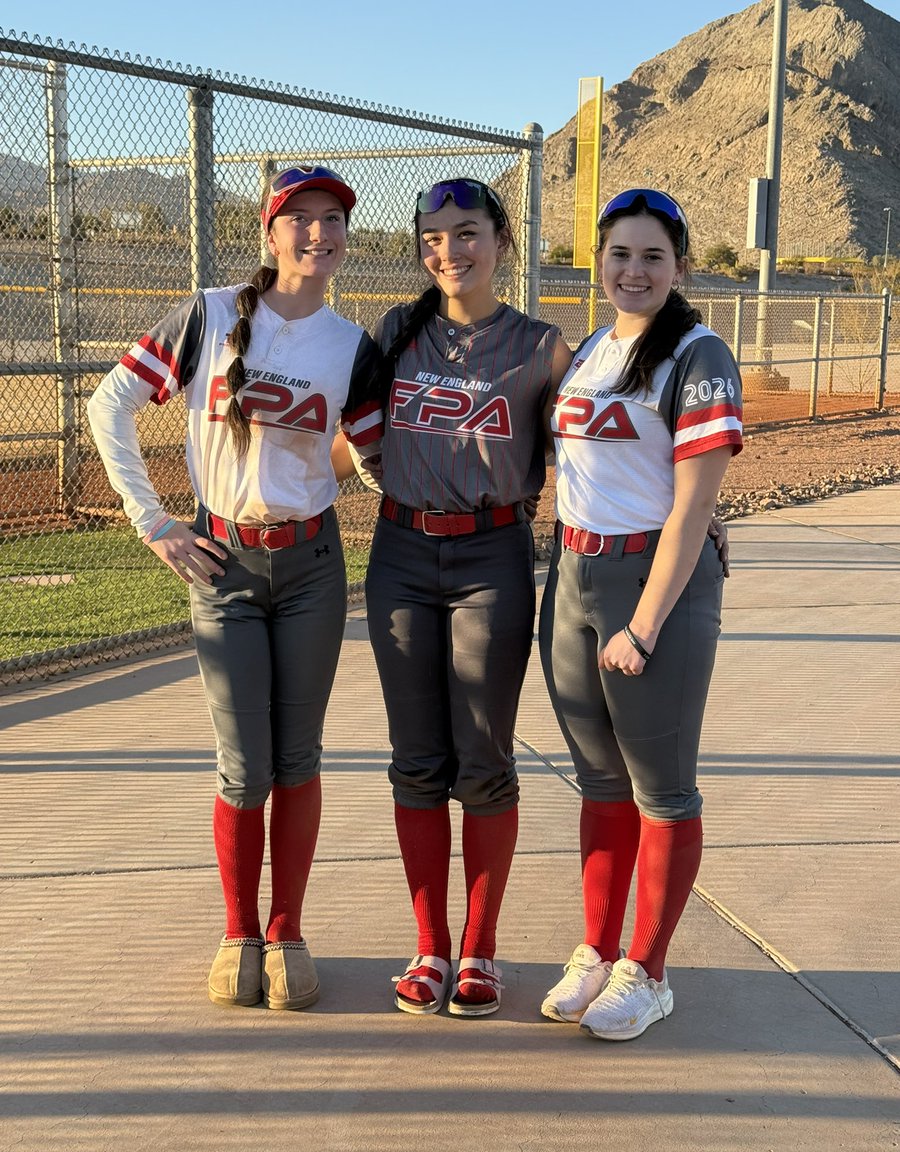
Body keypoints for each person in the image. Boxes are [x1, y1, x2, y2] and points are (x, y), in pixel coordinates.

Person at [88, 165, 382, 1010]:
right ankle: (238, 932)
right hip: (223, 564)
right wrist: (153, 522)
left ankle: (286, 933)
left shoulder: (351, 346)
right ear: (269, 229)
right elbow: (110, 403)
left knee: (297, 759)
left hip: (313, 565)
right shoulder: (210, 315)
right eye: (301, 218)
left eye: (333, 218)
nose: (318, 233)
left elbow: (376, 456)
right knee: (244, 766)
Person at [362, 178, 573, 1017]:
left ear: (502, 240)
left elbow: (598, 449)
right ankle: (430, 948)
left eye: (467, 233)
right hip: (400, 552)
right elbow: (349, 432)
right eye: (433, 238)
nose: (449, 251)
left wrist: (695, 518)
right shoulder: (396, 332)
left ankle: (481, 951)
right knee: (416, 759)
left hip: (492, 554)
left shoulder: (541, 346)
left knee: (483, 760)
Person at [538, 187, 742, 1040]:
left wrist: (646, 623)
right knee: (599, 781)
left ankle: (648, 971)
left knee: (661, 789)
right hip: (573, 575)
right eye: (619, 254)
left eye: (653, 256)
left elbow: (694, 507)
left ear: (680, 267)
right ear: (599, 263)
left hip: (652, 585)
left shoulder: (698, 353)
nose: (634, 270)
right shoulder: (592, 348)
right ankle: (597, 950)